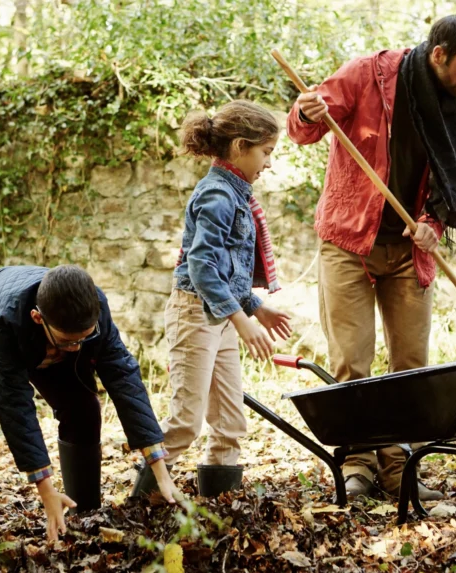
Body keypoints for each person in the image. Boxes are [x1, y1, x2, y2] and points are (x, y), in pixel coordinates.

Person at [286, 14, 456, 500]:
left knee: (411, 367)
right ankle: (356, 464)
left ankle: (401, 469)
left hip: (409, 252)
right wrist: (305, 111)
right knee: (352, 363)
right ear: (439, 54)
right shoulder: (368, 74)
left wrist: (432, 225)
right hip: (348, 242)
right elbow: (305, 129)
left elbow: (452, 184)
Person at [0, 265, 177, 542]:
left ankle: (83, 515)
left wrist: (159, 469)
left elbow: (124, 378)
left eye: (85, 338)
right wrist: (46, 491)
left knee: (84, 407)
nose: (78, 347)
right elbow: (13, 402)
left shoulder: (93, 306)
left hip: (40, 341)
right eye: (70, 340)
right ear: (37, 317)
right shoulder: (7, 317)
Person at [132, 100, 293, 498]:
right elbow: (203, 268)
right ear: (240, 146)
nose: (268, 164)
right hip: (195, 314)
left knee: (230, 420)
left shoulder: (236, 195)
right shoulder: (218, 196)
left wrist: (256, 306)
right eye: (266, 152)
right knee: (186, 421)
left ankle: (221, 504)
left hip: (219, 315)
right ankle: (142, 502)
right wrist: (241, 319)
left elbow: (227, 270)